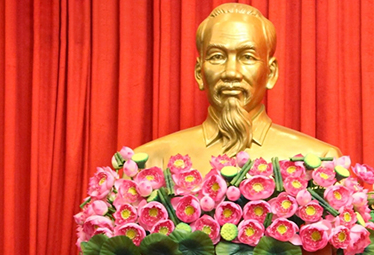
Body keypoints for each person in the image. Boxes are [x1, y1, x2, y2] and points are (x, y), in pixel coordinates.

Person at [135, 3, 339, 170]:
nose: (231, 72)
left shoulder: (320, 162)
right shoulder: (149, 162)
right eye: (217, 56)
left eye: (247, 57)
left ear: (271, 73)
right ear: (199, 73)